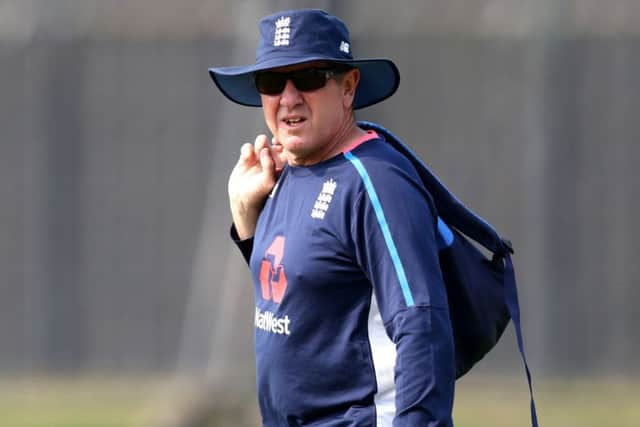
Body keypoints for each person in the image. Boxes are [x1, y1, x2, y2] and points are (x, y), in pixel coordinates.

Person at [209, 9, 455, 427]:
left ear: (348, 87)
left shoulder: (376, 182)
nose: (288, 98)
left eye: (308, 77)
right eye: (271, 82)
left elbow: (423, 323)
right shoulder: (283, 176)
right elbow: (299, 299)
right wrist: (247, 220)